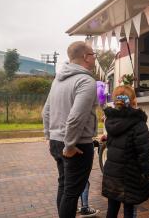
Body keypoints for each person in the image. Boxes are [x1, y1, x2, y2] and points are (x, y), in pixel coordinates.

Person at [42, 41, 98, 218]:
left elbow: (46, 111)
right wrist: (70, 145)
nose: (95, 57)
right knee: (72, 193)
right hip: (76, 146)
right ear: (85, 57)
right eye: (93, 54)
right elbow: (76, 118)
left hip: (57, 142)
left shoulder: (57, 81)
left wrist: (49, 136)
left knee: (64, 186)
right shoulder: (86, 81)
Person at [102, 85, 149, 218]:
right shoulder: (139, 124)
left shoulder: (111, 121)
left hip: (112, 173)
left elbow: (111, 145)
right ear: (134, 101)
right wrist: (145, 173)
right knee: (129, 210)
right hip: (130, 176)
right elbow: (144, 153)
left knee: (112, 209)